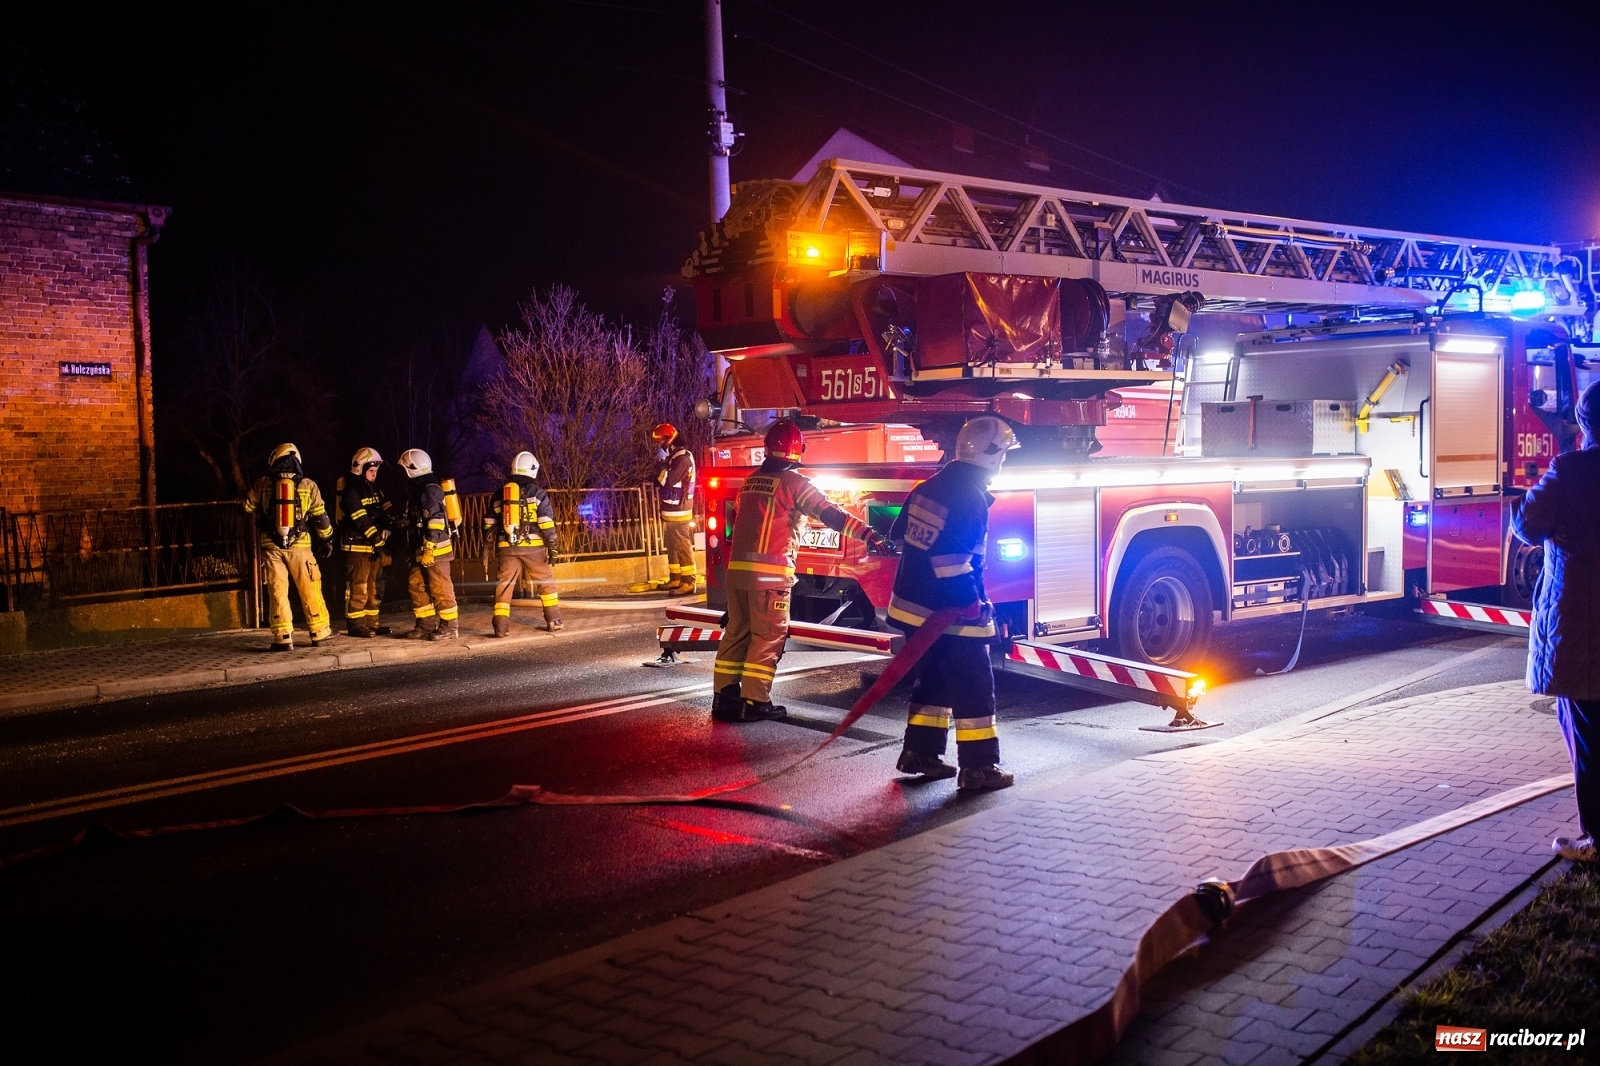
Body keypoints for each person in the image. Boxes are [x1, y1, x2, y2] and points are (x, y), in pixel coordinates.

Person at [713, 418, 887, 722]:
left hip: (737, 576)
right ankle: (755, 701)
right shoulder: (796, 484)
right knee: (767, 637)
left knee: (736, 634)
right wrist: (869, 534)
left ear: (766, 447)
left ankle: (724, 698)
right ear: (799, 450)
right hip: (769, 578)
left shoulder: (750, 482)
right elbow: (832, 515)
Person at [888, 415, 1020, 792]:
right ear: (991, 456)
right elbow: (951, 562)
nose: (1004, 462)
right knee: (974, 685)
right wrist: (975, 604)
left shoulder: (930, 485)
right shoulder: (971, 498)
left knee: (933, 681)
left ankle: (920, 754)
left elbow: (901, 534)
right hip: (946, 613)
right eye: (1004, 455)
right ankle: (979, 768)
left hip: (912, 608)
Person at [1512, 380, 1600, 863]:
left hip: (1581, 629)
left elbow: (1527, 525)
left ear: (1585, 425)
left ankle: (1596, 839)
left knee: (1587, 737)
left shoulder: (1570, 471)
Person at [243, 443, 337, 651]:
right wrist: (327, 540)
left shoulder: (262, 483)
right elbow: (321, 518)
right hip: (300, 547)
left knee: (277, 591)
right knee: (310, 587)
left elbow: (247, 507)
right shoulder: (308, 485)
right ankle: (319, 632)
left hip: (271, 547)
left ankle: (283, 637)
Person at [484, 450, 563, 635]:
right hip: (533, 547)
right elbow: (546, 523)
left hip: (506, 547)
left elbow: (489, 525)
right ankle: (554, 620)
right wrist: (553, 547)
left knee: (504, 586)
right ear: (532, 470)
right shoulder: (537, 493)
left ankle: (501, 628)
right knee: (545, 582)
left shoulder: (499, 494)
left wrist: (488, 548)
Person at [396, 448, 460, 641]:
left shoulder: (430, 489)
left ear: (412, 469)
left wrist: (430, 547)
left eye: (405, 470)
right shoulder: (418, 490)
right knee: (416, 585)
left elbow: (435, 520)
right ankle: (425, 625)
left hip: (435, 549)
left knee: (440, 587)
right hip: (420, 547)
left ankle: (449, 627)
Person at [338, 447, 393, 637]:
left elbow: (385, 511)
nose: (374, 474)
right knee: (358, 585)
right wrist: (379, 541)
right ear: (360, 469)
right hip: (357, 546)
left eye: (376, 471)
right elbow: (361, 520)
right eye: (371, 470)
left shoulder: (375, 489)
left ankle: (372, 623)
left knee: (374, 586)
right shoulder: (351, 491)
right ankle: (355, 624)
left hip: (373, 546)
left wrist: (388, 526)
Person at [653, 422, 699, 594]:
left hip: (679, 510)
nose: (659, 444)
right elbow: (658, 480)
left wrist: (662, 462)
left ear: (669, 439)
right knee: (672, 544)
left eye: (660, 441)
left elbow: (666, 480)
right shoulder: (674, 456)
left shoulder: (682, 458)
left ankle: (689, 582)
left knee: (682, 544)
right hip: (671, 509)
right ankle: (676, 578)